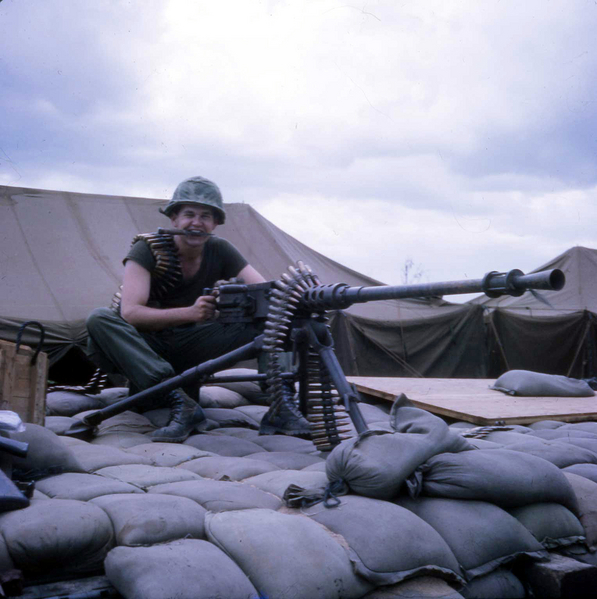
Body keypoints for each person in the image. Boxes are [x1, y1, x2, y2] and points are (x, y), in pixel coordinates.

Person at [86, 176, 267, 442]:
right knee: (99, 318)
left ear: (216, 223)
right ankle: (178, 399)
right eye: (189, 214)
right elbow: (131, 313)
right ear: (174, 219)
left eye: (206, 216)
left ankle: (281, 406)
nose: (196, 223)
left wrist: (229, 299)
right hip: (144, 350)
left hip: (189, 347)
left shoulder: (220, 249)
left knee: (271, 322)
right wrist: (190, 313)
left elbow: (266, 293)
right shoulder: (147, 249)